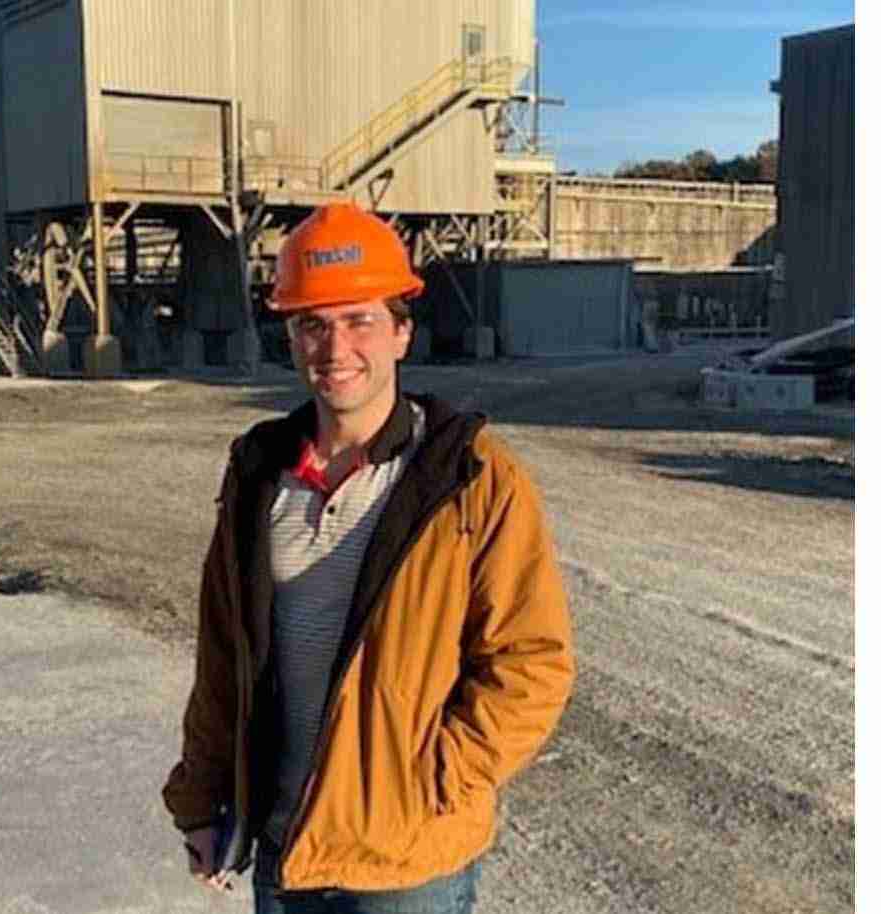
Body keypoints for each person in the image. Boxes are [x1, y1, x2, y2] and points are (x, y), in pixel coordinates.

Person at [161, 201, 577, 913]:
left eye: (360, 320)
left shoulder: (469, 474)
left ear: (401, 331)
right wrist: (202, 799)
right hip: (285, 849)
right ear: (292, 338)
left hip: (405, 865)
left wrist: (433, 779)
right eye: (313, 324)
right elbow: (224, 659)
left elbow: (532, 662)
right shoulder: (258, 472)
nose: (335, 348)